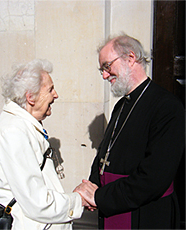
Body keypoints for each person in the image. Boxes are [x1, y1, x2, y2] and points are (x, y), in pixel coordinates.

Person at [74, 34, 185, 229]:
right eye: (102, 69)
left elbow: (154, 178)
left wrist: (99, 196)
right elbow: (104, 153)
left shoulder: (167, 107)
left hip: (145, 215)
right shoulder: (121, 105)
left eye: (107, 66)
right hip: (115, 207)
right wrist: (92, 185)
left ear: (130, 58)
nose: (104, 75)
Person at [0, 59, 86, 230]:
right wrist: (78, 200)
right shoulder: (13, 131)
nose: (56, 95)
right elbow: (37, 202)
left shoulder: (22, 125)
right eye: (50, 89)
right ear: (30, 97)